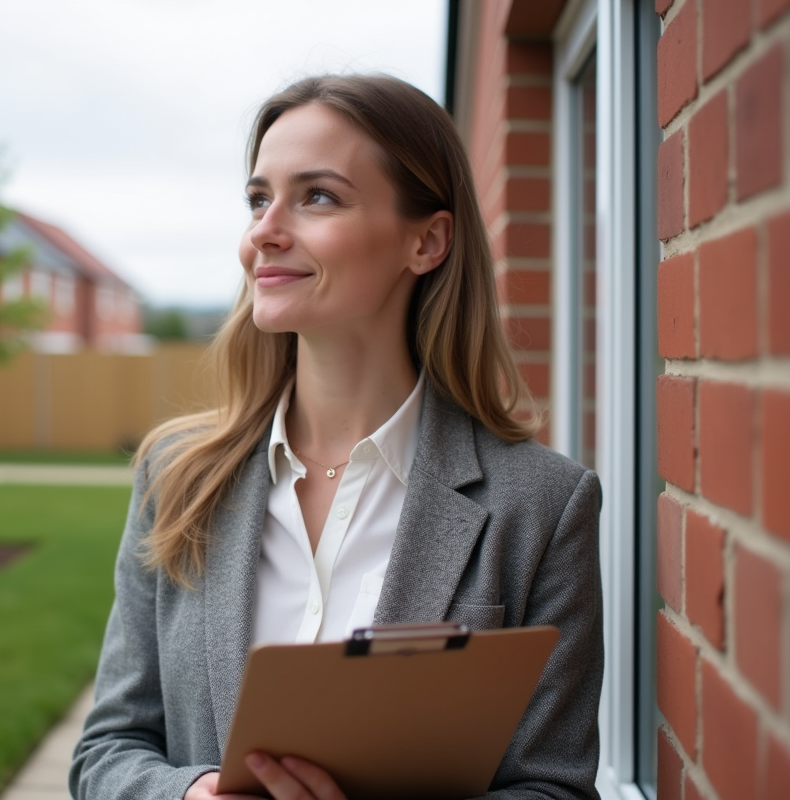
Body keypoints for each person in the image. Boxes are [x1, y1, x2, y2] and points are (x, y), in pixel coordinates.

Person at [70, 74, 603, 800]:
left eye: (317, 196)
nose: (264, 231)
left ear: (428, 240)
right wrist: (191, 797)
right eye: (259, 199)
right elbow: (107, 751)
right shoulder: (177, 478)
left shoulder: (542, 505)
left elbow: (554, 788)